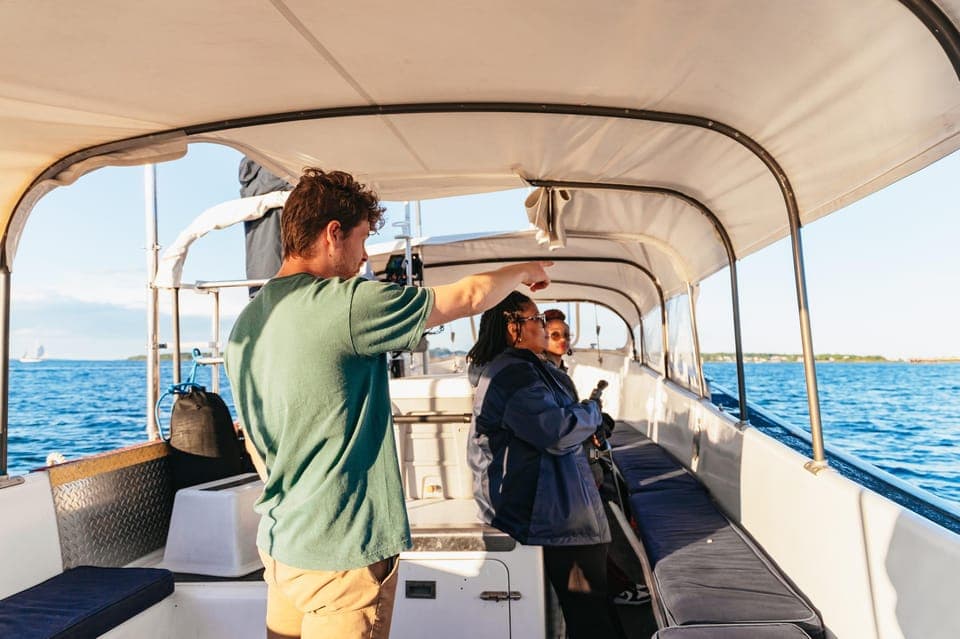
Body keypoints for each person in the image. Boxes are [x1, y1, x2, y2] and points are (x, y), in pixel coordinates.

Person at [224, 168, 551, 639]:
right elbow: (469, 296)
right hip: (340, 553)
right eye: (360, 242)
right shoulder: (346, 303)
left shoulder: (248, 322)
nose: (362, 259)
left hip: (282, 547)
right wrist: (523, 271)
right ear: (332, 234)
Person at [466, 292, 623, 639]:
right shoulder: (511, 376)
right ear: (513, 328)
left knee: (594, 610)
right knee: (590, 617)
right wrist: (593, 413)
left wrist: (587, 420)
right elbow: (554, 430)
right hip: (552, 512)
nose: (542, 325)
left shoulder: (526, 368)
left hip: (563, 504)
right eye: (536, 319)